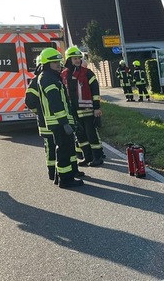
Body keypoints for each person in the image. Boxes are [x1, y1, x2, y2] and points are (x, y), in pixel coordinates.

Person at [37, 48, 84, 189]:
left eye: (58, 61)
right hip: (58, 122)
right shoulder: (48, 78)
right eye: (54, 62)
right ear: (46, 64)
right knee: (63, 150)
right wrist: (64, 123)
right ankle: (66, 180)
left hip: (60, 121)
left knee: (66, 149)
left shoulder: (50, 76)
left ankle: (61, 177)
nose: (58, 64)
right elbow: (55, 103)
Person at [61, 47, 104, 166]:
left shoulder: (87, 73)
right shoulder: (64, 74)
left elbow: (95, 90)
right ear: (69, 59)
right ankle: (87, 157)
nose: (78, 60)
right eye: (75, 58)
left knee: (91, 134)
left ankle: (98, 157)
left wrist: (97, 107)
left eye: (79, 58)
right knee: (80, 135)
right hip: (72, 111)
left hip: (87, 110)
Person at [24, 64, 57, 182]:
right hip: (47, 122)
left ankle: (65, 171)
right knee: (51, 147)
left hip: (53, 121)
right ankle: (52, 172)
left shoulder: (51, 77)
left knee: (58, 147)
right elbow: (29, 101)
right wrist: (39, 112)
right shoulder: (38, 80)